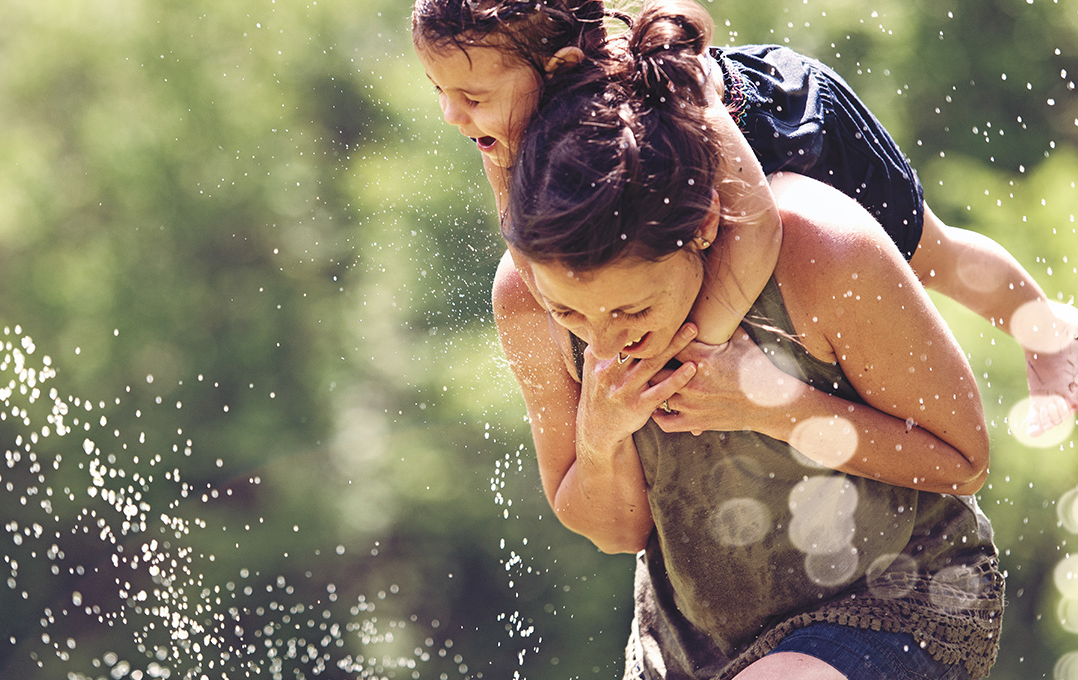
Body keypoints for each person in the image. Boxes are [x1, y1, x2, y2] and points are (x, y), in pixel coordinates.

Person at [497, 18, 1003, 678]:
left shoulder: (820, 248)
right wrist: (601, 436)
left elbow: (962, 461)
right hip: (688, 649)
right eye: (571, 310)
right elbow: (618, 532)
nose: (604, 338)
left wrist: (771, 404)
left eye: (632, 307)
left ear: (703, 228)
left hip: (900, 601)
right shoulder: (525, 300)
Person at [411, 0, 1078, 435]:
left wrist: (700, 348)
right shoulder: (502, 127)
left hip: (789, 127)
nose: (452, 114)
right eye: (439, 92)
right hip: (687, 171)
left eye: (469, 95)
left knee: (930, 253)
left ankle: (1049, 334)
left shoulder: (674, 89)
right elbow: (521, 236)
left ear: (559, 67)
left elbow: (755, 227)